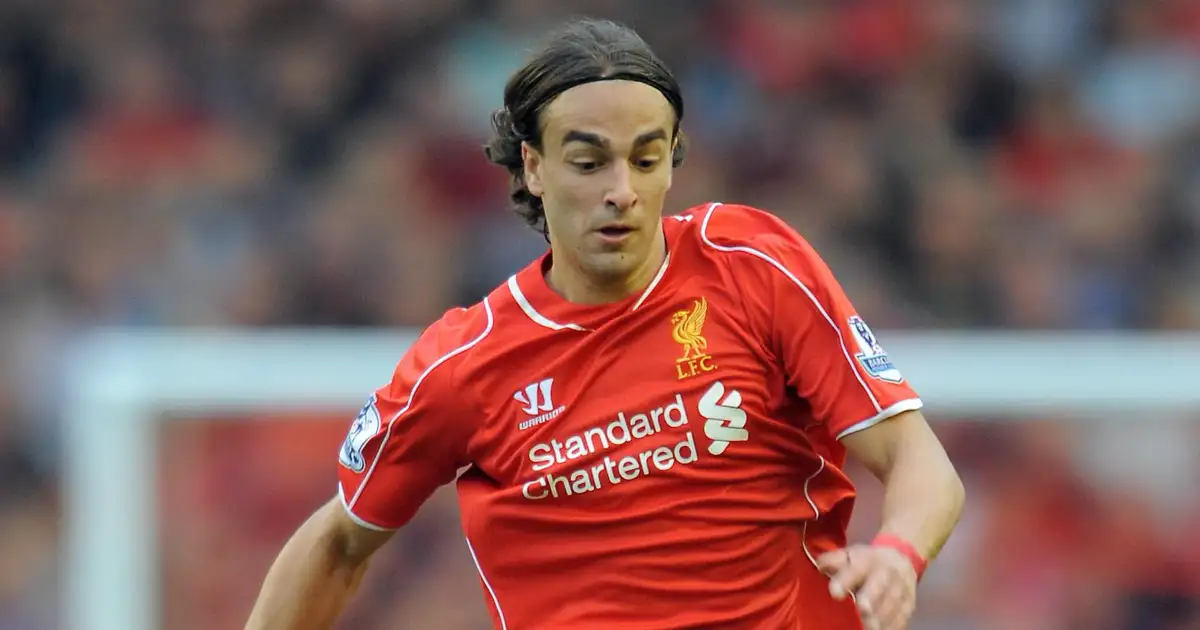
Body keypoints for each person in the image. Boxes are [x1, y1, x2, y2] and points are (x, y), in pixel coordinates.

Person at [246, 17, 965, 630]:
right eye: (589, 162)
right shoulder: (465, 364)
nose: (621, 191)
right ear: (533, 166)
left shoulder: (752, 268)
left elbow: (918, 462)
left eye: (646, 159)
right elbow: (341, 543)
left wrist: (898, 554)